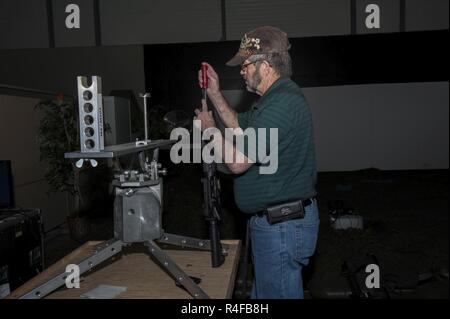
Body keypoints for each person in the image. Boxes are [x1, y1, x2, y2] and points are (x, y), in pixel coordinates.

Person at [194, 26, 319, 299]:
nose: (241, 71)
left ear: (265, 64)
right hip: (274, 225)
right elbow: (238, 124)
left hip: (282, 228)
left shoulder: (282, 103)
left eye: (245, 65)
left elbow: (238, 162)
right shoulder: (271, 101)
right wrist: (215, 93)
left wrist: (210, 131)